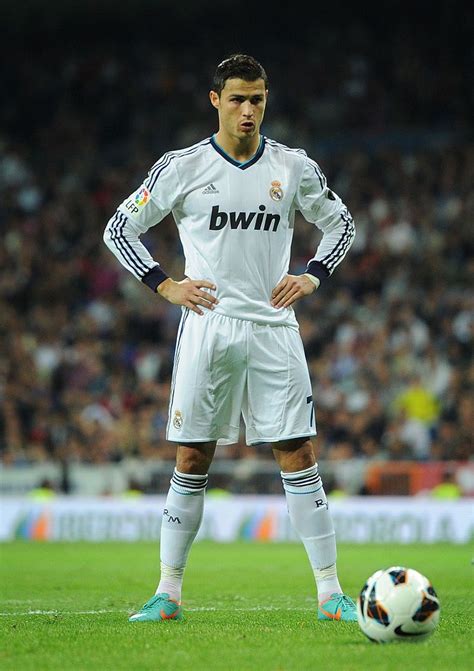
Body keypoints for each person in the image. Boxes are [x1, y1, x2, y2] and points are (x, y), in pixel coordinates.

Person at [104, 54, 357, 623]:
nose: (249, 111)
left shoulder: (294, 168)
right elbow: (119, 227)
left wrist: (314, 273)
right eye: (238, 99)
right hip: (208, 328)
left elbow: (342, 223)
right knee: (192, 456)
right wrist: (165, 285)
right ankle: (167, 592)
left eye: (258, 100)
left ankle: (329, 593)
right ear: (215, 100)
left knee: (299, 454)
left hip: (273, 327)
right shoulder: (181, 166)